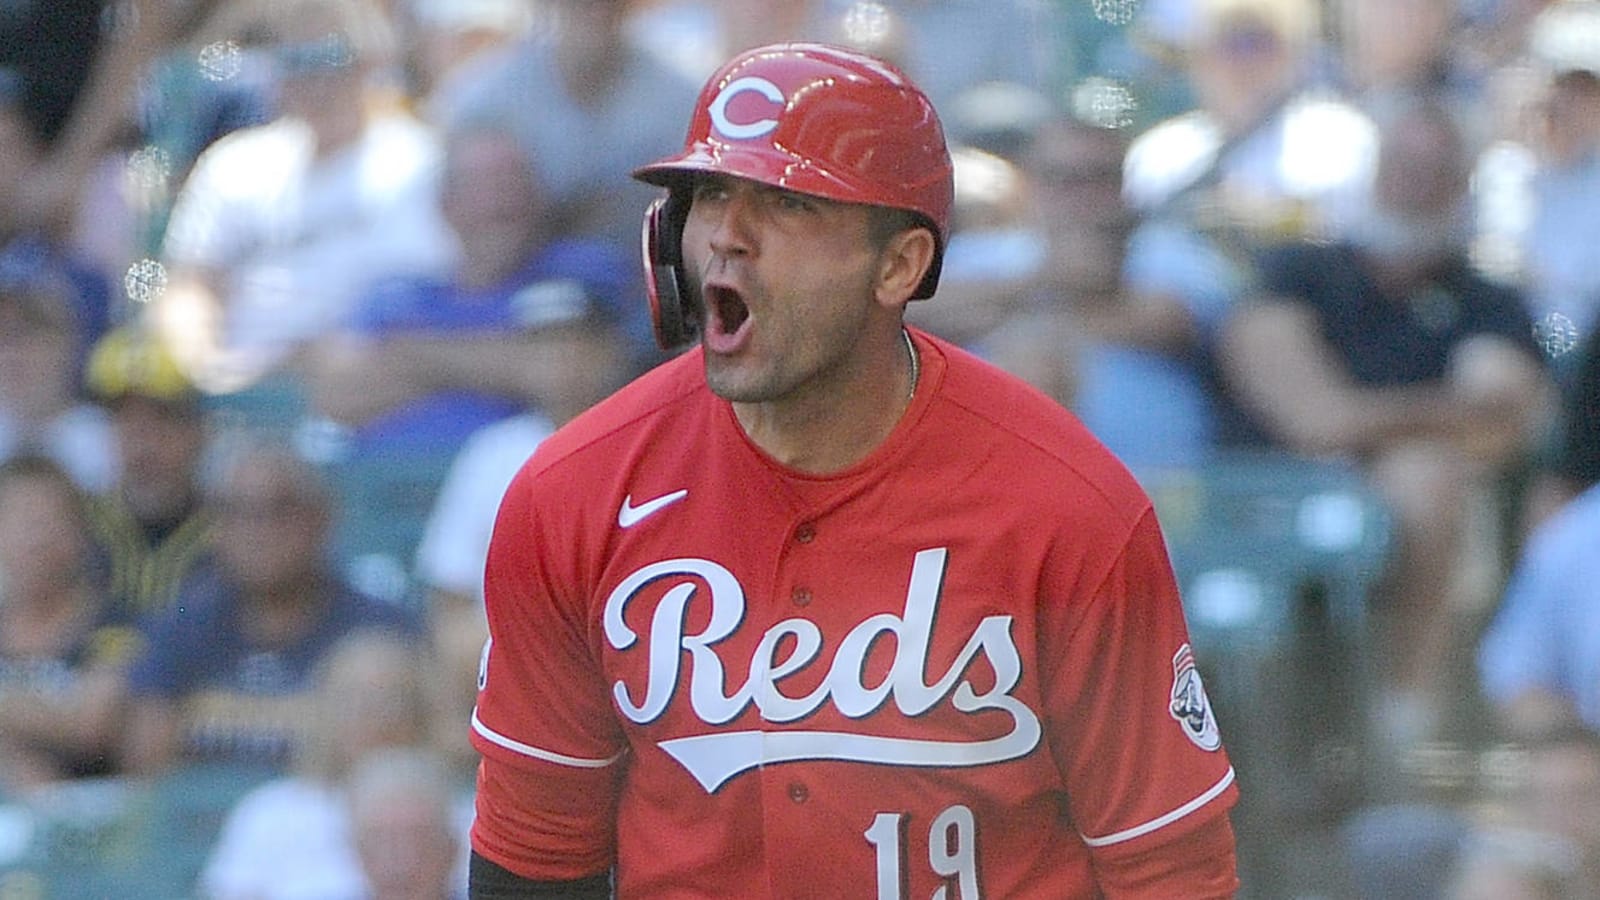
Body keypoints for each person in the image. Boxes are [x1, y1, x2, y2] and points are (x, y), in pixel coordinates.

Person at [467, 42, 1240, 898]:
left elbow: (1170, 870)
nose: (727, 236)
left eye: (786, 204)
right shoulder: (575, 494)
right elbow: (534, 856)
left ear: (900, 266)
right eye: (713, 195)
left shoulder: (1067, 505)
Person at [1217, 91, 1553, 743]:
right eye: (1403, 163)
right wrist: (1441, 410)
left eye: (1436, 169)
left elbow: (1504, 425)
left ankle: (1403, 715)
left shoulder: (1491, 300)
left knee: (1427, 475)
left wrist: (1385, 424)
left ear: (1462, 183)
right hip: (1256, 501)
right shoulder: (1297, 270)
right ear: (1374, 169)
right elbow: (1314, 419)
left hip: (1400, 522)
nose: (1415, 184)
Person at [120, 438, 420, 775]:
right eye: (237, 512)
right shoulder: (184, 621)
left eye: (279, 510)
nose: (257, 531)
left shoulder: (379, 628)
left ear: (320, 518)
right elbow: (146, 770)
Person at [199, 629, 464, 900]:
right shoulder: (271, 813)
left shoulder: (462, 814)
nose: (371, 717)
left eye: (390, 701)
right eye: (351, 700)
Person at [0, 454, 134, 791]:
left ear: (79, 532)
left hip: (86, 812)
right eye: (21, 519)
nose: (36, 538)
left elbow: (90, 725)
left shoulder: (115, 623)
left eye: (48, 519)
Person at [83, 324, 216, 621]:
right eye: (125, 422)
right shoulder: (74, 526)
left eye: (163, 421)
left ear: (200, 432)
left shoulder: (237, 533)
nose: (143, 446)